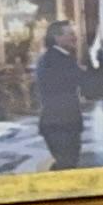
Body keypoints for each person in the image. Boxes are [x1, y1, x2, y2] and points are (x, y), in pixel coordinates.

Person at [33, 20, 84, 173]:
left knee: (67, 166)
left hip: (64, 123)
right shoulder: (56, 60)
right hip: (60, 125)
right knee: (67, 168)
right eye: (71, 34)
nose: (75, 37)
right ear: (57, 38)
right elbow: (84, 81)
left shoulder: (58, 58)